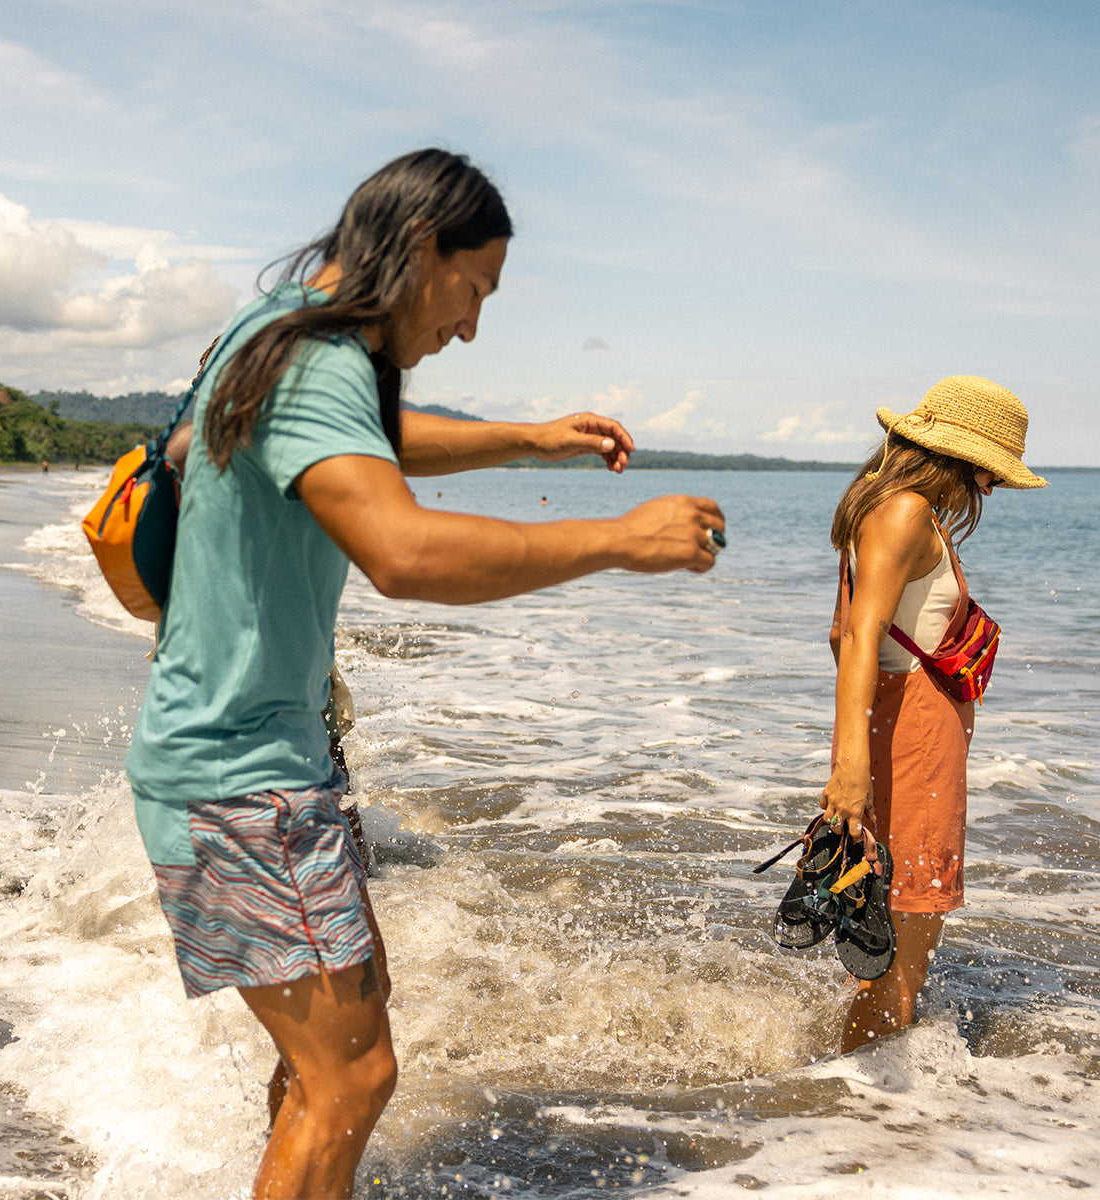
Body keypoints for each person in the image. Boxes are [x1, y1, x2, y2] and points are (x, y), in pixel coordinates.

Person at [124, 147, 726, 1200]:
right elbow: (401, 553)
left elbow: (369, 440)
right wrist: (617, 540)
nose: (471, 325)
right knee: (351, 1075)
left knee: (329, 1064)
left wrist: (527, 441)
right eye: (474, 288)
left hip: (248, 762)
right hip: (241, 777)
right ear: (417, 247)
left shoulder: (274, 330)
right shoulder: (315, 361)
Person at [820, 375, 1045, 1054]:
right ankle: (867, 1114)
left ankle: (859, 1099)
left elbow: (845, 635)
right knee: (900, 960)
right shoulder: (905, 513)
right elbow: (860, 638)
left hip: (906, 730)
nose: (994, 485)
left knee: (889, 945)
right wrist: (852, 764)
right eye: (994, 468)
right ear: (966, 456)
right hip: (915, 740)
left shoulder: (895, 507)